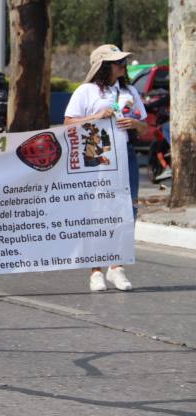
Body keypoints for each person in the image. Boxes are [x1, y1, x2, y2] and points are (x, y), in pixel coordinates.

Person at [64, 44, 147, 292]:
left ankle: (116, 267)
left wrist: (134, 123)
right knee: (97, 210)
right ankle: (95, 271)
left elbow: (145, 127)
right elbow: (68, 123)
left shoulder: (130, 90)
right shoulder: (86, 91)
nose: (122, 64)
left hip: (126, 157)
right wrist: (96, 116)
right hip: (96, 157)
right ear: (103, 65)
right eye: (117, 61)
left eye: (122, 61)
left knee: (127, 210)